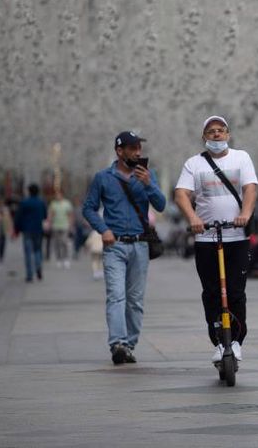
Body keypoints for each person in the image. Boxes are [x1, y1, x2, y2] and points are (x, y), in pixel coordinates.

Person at [175, 116, 258, 364]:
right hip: (207, 238)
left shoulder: (241, 158)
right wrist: (192, 218)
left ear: (228, 134)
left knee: (235, 292)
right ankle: (219, 341)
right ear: (204, 137)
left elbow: (250, 188)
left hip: (237, 237)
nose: (216, 135)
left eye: (220, 131)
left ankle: (236, 341)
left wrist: (245, 214)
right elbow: (181, 193)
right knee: (211, 293)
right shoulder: (194, 164)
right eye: (211, 132)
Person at [83, 131, 166, 365]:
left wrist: (149, 184)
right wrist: (103, 229)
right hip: (115, 245)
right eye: (132, 148)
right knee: (116, 296)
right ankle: (117, 343)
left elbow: (160, 205)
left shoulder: (148, 176)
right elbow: (88, 208)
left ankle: (129, 344)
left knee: (135, 300)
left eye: (139, 148)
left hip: (140, 245)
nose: (138, 152)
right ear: (120, 151)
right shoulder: (103, 178)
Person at [15, 184, 48, 282]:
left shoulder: (24, 202)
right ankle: (38, 266)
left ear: (29, 191)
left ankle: (29, 275)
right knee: (37, 250)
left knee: (28, 252)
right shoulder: (41, 202)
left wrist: (17, 228)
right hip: (38, 229)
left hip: (27, 230)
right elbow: (45, 216)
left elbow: (18, 216)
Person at [48, 190, 74, 268]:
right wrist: (49, 223)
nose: (57, 196)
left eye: (59, 195)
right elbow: (51, 215)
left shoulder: (67, 203)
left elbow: (70, 215)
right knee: (57, 243)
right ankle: (58, 259)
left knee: (64, 242)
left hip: (65, 226)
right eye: (56, 195)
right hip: (55, 226)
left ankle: (66, 259)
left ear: (62, 195)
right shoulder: (53, 204)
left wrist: (70, 225)